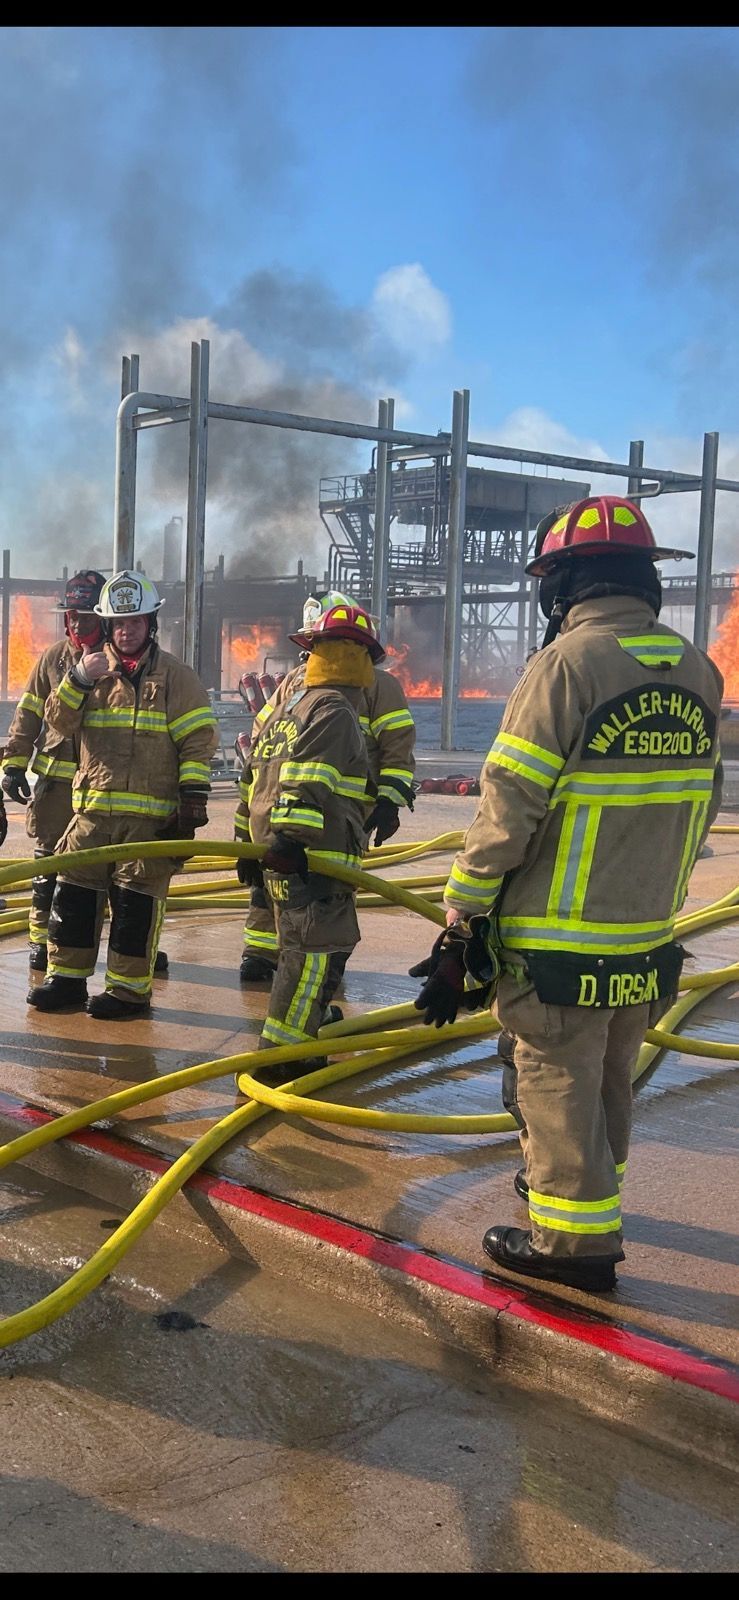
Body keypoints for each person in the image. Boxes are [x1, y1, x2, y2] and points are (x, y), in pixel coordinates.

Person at [414, 495, 723, 1292]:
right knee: (609, 1079)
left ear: (564, 583)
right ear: (644, 577)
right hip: (644, 934)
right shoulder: (698, 669)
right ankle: (585, 1198)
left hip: (557, 939)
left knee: (554, 1082)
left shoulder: (564, 665)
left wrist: (464, 907)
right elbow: (704, 803)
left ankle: (569, 1244)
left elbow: (509, 801)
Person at [27, 569, 218, 1019]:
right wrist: (77, 680)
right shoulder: (89, 672)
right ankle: (67, 981)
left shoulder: (176, 677)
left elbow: (197, 740)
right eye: (118, 623)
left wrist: (192, 801)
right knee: (74, 895)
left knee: (136, 907)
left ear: (151, 624)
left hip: (149, 821)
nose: (126, 631)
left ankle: (128, 993)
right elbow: (58, 724)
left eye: (134, 622)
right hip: (91, 814)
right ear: (108, 627)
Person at [237, 590, 416, 983]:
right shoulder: (294, 684)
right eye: (315, 645)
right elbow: (265, 742)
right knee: (271, 888)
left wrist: (389, 802)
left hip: (339, 815)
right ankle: (266, 955)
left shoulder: (379, 687)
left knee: (326, 898)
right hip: (289, 811)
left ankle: (316, 977)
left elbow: (397, 747)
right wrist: (250, 818)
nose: (316, 655)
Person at [234, 601, 380, 1069]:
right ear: (358, 659)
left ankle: (297, 1037)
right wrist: (293, 840)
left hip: (279, 852)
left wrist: (248, 845)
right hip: (314, 858)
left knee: (296, 950)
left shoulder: (288, 708)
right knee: (315, 956)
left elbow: (252, 780)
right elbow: (307, 780)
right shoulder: (334, 710)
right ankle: (286, 1056)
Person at [1, 571, 106, 968]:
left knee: (114, 862)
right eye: (72, 615)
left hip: (103, 782)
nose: (77, 623)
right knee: (47, 861)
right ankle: (40, 941)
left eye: (86, 615)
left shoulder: (120, 658)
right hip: (56, 787)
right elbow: (28, 711)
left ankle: (127, 942)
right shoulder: (53, 658)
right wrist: (14, 764)